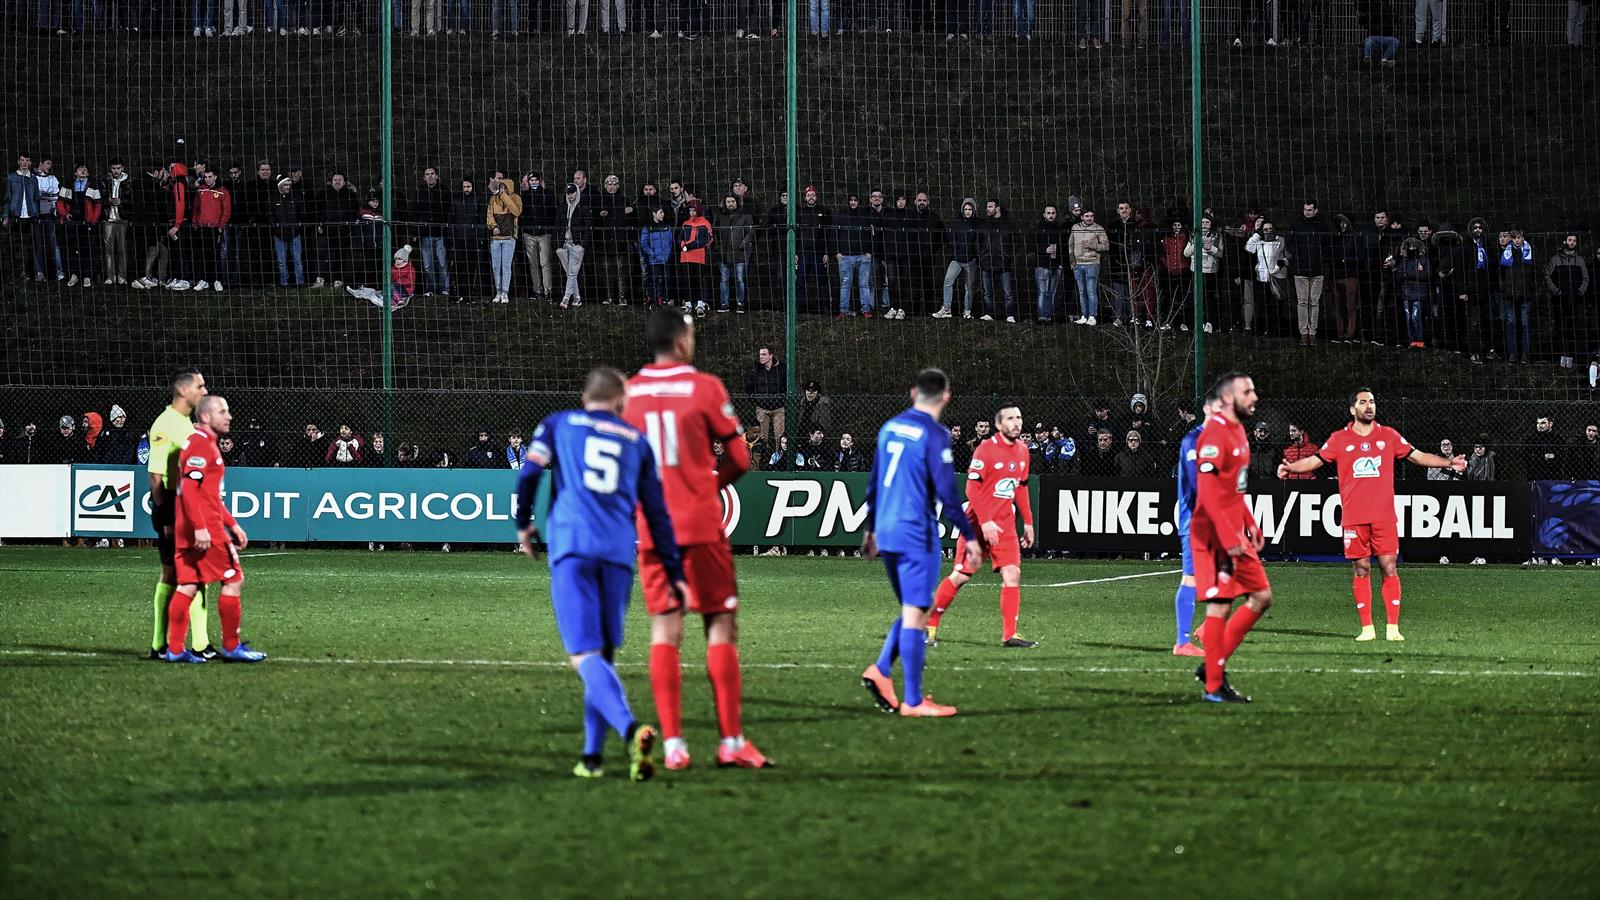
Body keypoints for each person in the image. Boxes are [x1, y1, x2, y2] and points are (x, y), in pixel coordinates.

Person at [514, 368, 683, 782]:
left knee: (583, 655)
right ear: (621, 402)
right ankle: (591, 757)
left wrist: (522, 524)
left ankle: (629, 731)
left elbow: (529, 473)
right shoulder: (637, 442)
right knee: (602, 654)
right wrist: (675, 570)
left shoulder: (559, 423)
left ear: (585, 396)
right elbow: (658, 515)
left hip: (573, 545)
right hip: (618, 553)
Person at [624, 307, 769, 771]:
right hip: (701, 526)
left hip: (654, 529)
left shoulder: (630, 394)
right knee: (720, 626)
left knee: (665, 630)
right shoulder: (705, 387)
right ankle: (730, 741)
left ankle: (674, 746)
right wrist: (709, 483)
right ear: (683, 339)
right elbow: (741, 460)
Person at [1278, 388, 1465, 642]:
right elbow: (1315, 461)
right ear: (1352, 409)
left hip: (1384, 516)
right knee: (1361, 569)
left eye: (1373, 402)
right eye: (1363, 402)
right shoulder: (1338, 439)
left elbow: (1418, 457)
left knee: (1389, 567)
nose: (1369, 406)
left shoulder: (1388, 436)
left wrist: (1449, 463)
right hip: (1354, 517)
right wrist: (1291, 468)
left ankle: (1392, 628)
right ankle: (1367, 628)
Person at [859, 368, 982, 718]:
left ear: (913, 393)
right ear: (946, 396)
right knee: (916, 612)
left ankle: (881, 671)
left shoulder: (889, 428)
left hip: (887, 528)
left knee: (914, 608)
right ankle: (912, 701)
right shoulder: (935, 434)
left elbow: (873, 483)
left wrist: (871, 530)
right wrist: (969, 536)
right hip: (916, 531)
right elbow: (946, 492)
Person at [164, 395, 267, 664]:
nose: (229, 416)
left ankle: (175, 649)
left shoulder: (203, 444)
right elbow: (189, 488)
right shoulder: (200, 445)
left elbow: (208, 495)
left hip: (188, 528)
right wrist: (201, 528)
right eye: (223, 411)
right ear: (206, 417)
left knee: (187, 585)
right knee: (233, 579)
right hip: (203, 529)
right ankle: (232, 647)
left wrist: (232, 523)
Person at [925, 404, 1038, 648]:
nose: (1017, 422)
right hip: (977, 524)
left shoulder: (1023, 451)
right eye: (1010, 418)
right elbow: (971, 487)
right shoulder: (986, 450)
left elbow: (1021, 487)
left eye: (1019, 417)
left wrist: (1028, 522)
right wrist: (985, 520)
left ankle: (1010, 635)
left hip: (1006, 526)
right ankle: (930, 624)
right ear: (999, 425)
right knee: (961, 576)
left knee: (1012, 574)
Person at [1190, 372, 1270, 703]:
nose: (1254, 396)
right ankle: (1213, 684)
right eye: (1247, 391)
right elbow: (1207, 491)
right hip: (1214, 533)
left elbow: (1234, 487)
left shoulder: (1239, 431)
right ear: (1227, 398)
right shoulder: (1215, 434)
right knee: (1220, 606)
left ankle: (1212, 665)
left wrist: (1250, 521)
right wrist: (1227, 534)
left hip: (1235, 529)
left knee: (1262, 596)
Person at [145, 367, 213, 661]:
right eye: (201, 386)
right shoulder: (165, 424)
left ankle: (177, 645)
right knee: (183, 576)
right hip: (174, 507)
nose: (205, 392)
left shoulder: (185, 422)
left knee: (183, 576)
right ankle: (189, 645)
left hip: (187, 506)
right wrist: (166, 516)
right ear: (183, 390)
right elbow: (156, 476)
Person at [1170, 393, 1223, 658]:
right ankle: (1182, 643)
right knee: (1191, 577)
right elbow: (1197, 484)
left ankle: (1205, 628)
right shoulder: (1193, 440)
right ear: (1206, 408)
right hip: (1196, 522)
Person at [487, 173, 522, 304]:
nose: (502, 189)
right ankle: (498, 291)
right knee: (496, 266)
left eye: (504, 187)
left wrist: (504, 196)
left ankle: (505, 292)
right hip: (496, 238)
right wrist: (493, 227)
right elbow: (489, 215)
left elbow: (516, 211)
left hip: (509, 238)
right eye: (501, 187)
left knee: (506, 266)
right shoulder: (493, 199)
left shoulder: (515, 198)